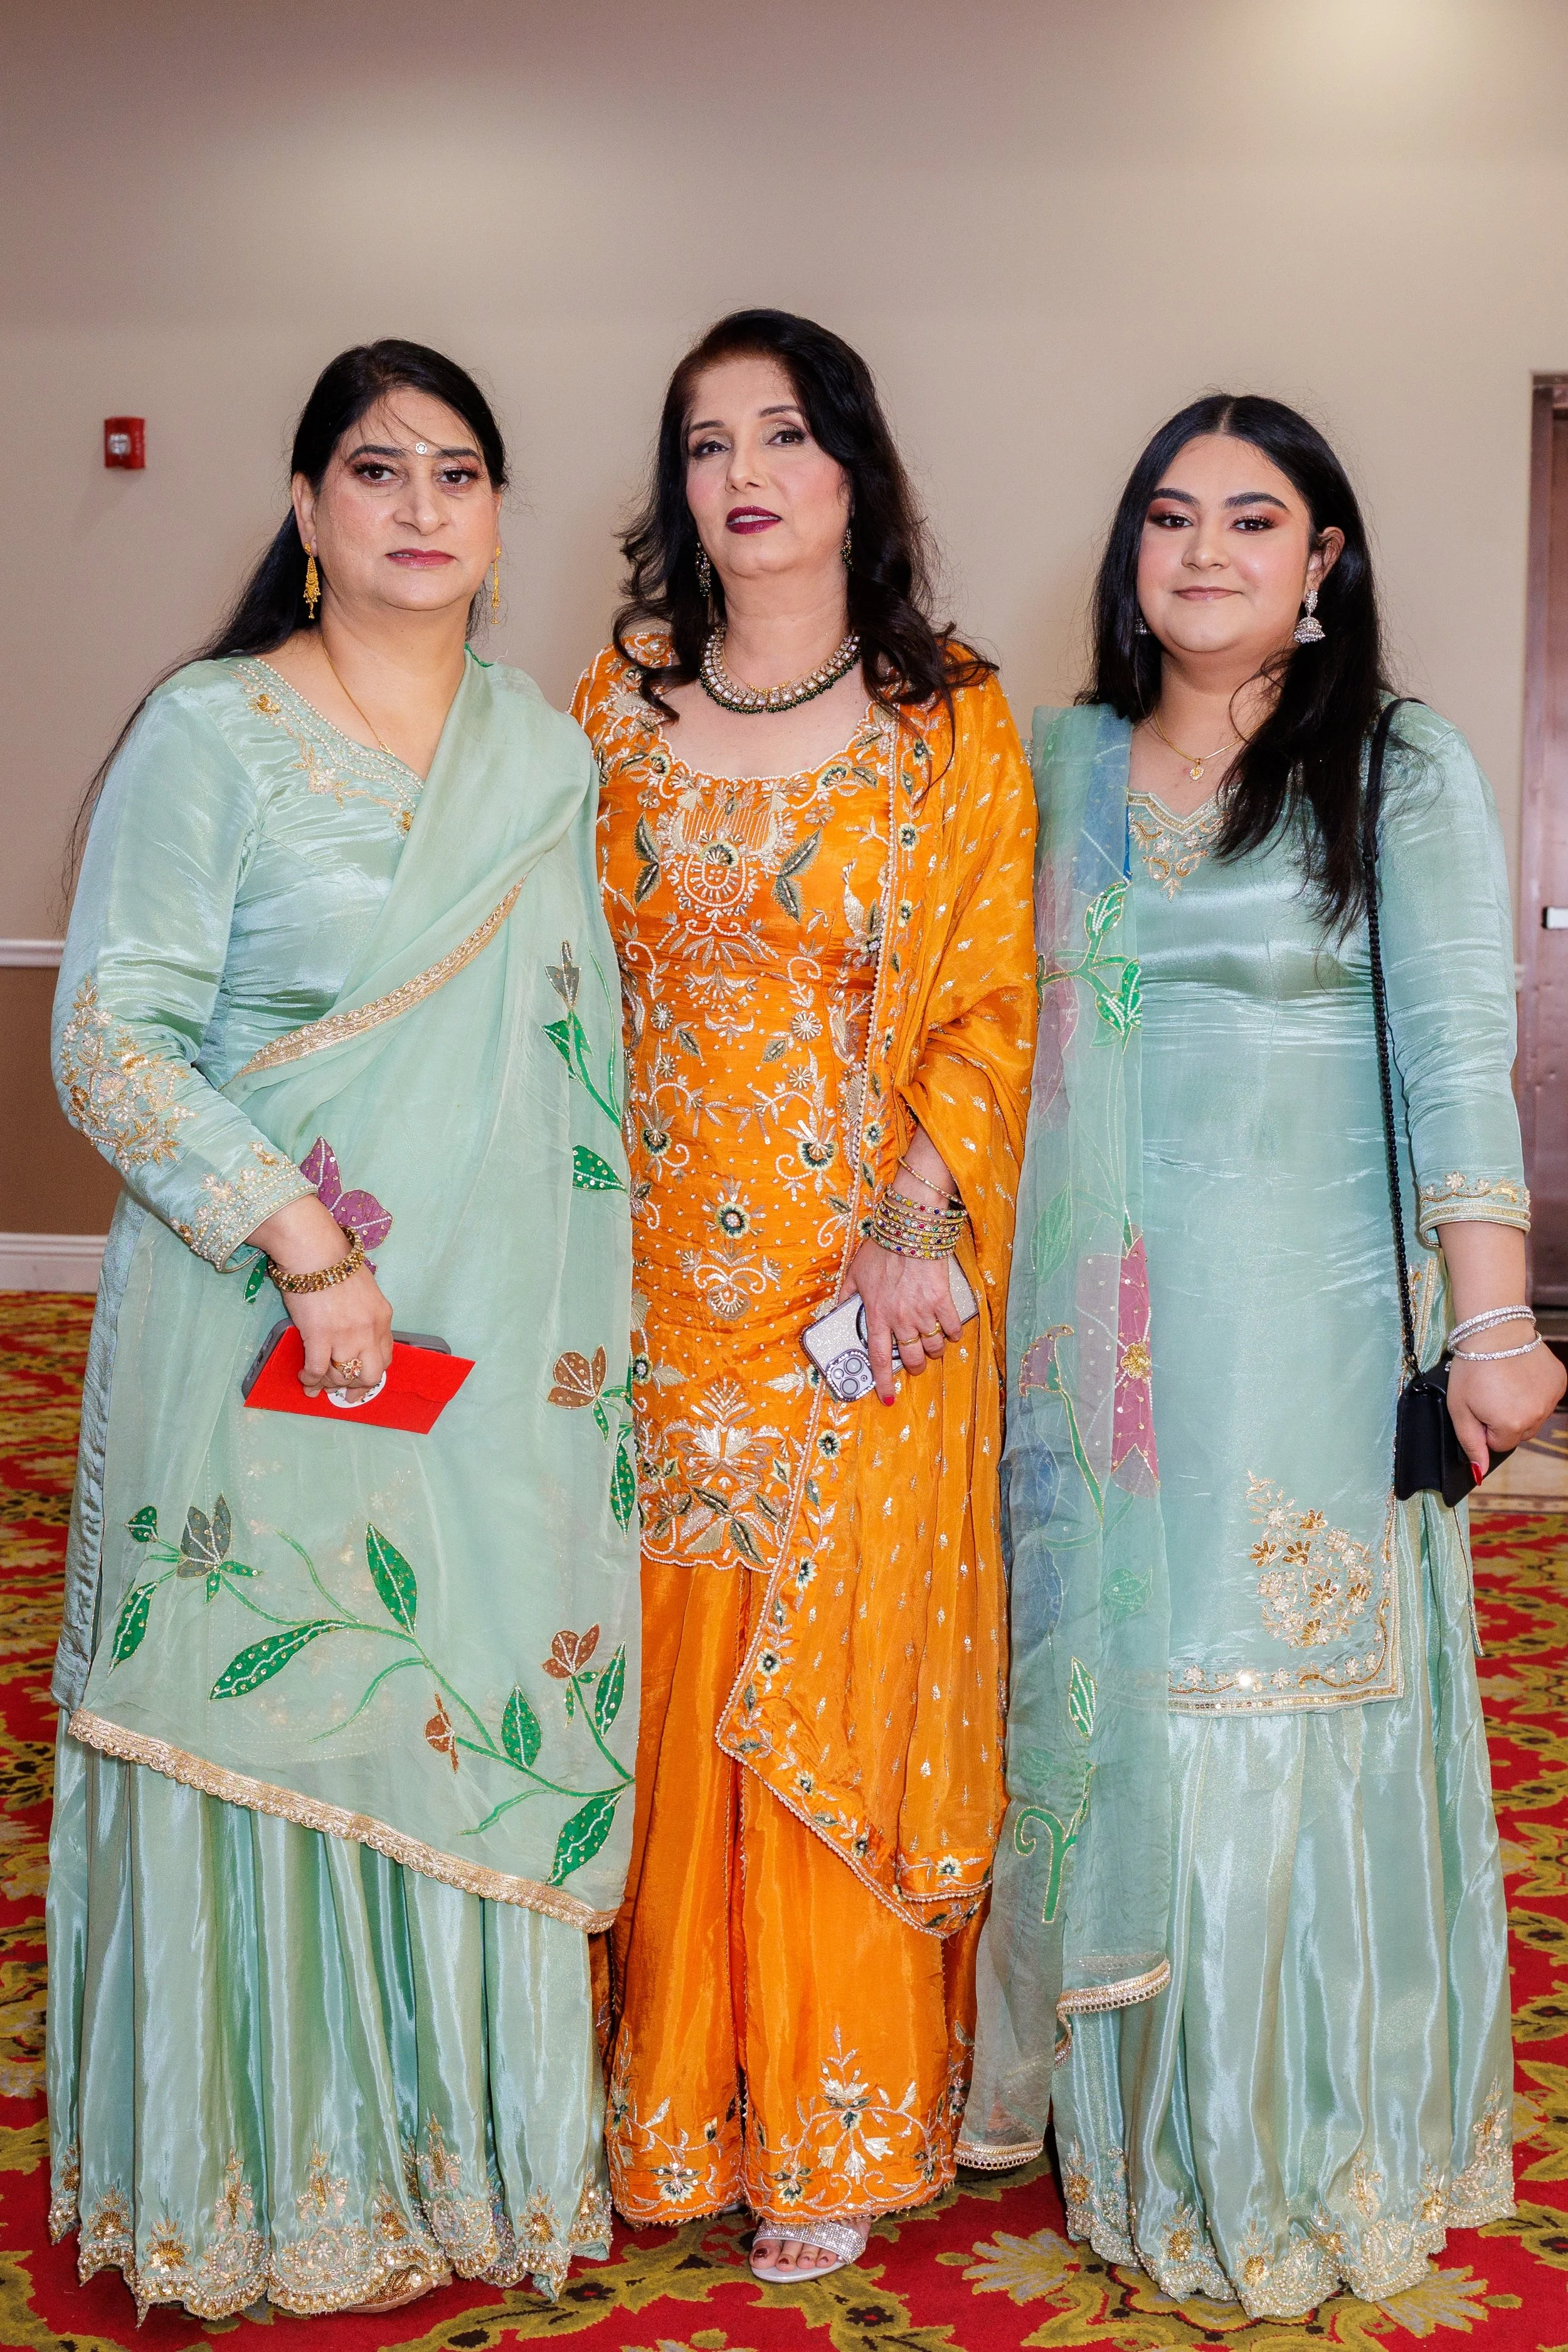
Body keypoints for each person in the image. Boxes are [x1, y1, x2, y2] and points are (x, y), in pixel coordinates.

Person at [46, 341, 638, 2319]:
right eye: (371, 470)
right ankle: (257, 2182)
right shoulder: (210, 734)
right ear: (303, 513)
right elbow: (102, 1037)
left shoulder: (540, 759)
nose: (416, 504)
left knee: (444, 1692)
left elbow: (582, 1085)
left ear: (493, 516)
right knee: (266, 1706)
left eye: (456, 471)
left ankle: (441, 2164)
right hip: (254, 1331)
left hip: (486, 1349)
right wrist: (298, 1237)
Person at [958, 394, 1567, 2315]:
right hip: (1088, 1343)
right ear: (1127, 558)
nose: (1203, 548)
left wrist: (1491, 1327)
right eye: (1167, 515)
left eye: (1252, 516)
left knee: (1281, 1708)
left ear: (1323, 563)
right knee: (1114, 1706)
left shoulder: (1395, 765)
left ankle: (1301, 2132)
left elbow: (1458, 1059)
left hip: (1302, 1339)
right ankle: (1132, 2127)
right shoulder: (1047, 765)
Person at [571, 309, 1037, 2279]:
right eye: (703, 442)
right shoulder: (610, 703)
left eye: (780, 433)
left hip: (862, 1288)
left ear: (854, 465)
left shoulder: (951, 719)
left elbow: (986, 1001)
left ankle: (835, 2121)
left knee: (828, 1676)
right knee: (666, 1671)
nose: (742, 471)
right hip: (639, 1267)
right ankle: (672, 2107)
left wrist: (912, 1226)